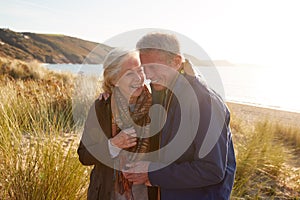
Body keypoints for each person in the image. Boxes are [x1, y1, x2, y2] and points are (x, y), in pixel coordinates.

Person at [124, 33, 236, 200]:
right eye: (145, 68)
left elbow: (212, 170)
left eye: (153, 67)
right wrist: (110, 92)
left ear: (176, 62)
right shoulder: (162, 92)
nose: (148, 75)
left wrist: (152, 173)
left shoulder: (205, 102)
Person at [77, 48, 158, 200]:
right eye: (129, 74)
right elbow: (84, 155)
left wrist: (150, 171)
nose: (139, 78)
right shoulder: (102, 107)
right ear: (114, 81)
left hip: (146, 194)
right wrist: (113, 145)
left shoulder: (157, 105)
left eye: (140, 70)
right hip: (107, 193)